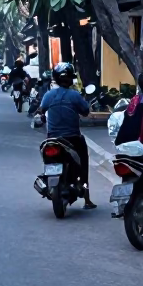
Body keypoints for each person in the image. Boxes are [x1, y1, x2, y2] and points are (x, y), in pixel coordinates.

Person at [39, 62, 95, 207]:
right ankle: (87, 200)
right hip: (73, 138)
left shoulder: (48, 95)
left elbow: (40, 111)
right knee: (83, 164)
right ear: (70, 79)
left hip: (52, 138)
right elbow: (85, 111)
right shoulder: (75, 95)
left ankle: (47, 181)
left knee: (47, 158)